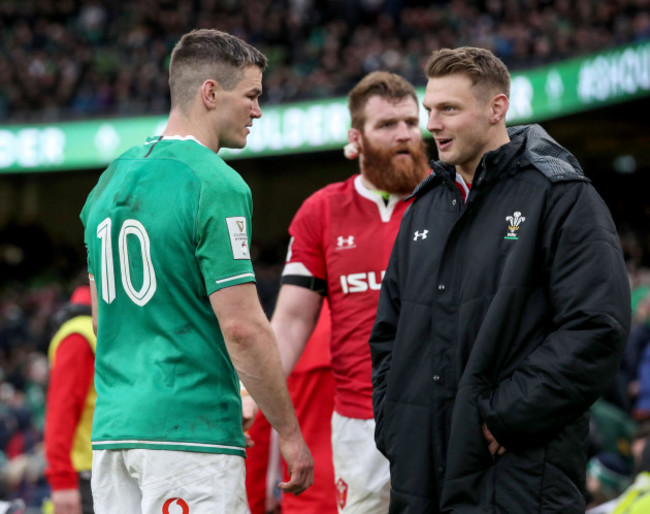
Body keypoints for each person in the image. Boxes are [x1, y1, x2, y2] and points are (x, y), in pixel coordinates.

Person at [369, 46, 631, 513]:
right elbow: (388, 333)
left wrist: (503, 418)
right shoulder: (423, 208)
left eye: (448, 109)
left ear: (497, 108)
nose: (432, 124)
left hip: (517, 476)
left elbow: (596, 327)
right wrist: (395, 423)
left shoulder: (562, 196)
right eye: (430, 109)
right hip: (419, 475)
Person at [79, 29, 313, 514]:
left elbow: (104, 321)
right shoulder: (215, 182)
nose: (258, 110)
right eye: (250, 95)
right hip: (188, 433)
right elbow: (242, 327)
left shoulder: (106, 182)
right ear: (210, 92)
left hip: (114, 436)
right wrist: (289, 434)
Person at [271, 70, 430, 513]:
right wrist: (252, 392)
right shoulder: (320, 211)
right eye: (386, 125)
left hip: (441, 413)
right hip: (358, 421)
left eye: (410, 123)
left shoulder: (449, 199)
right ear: (355, 138)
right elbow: (292, 320)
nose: (403, 135)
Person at [246, 301, 336, 514]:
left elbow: (259, 431)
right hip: (380, 493)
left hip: (308, 497)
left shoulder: (293, 331)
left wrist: (254, 506)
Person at [44, 284, 96, 514]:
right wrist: (62, 479)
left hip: (96, 470)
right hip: (84, 475)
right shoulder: (79, 335)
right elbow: (61, 410)